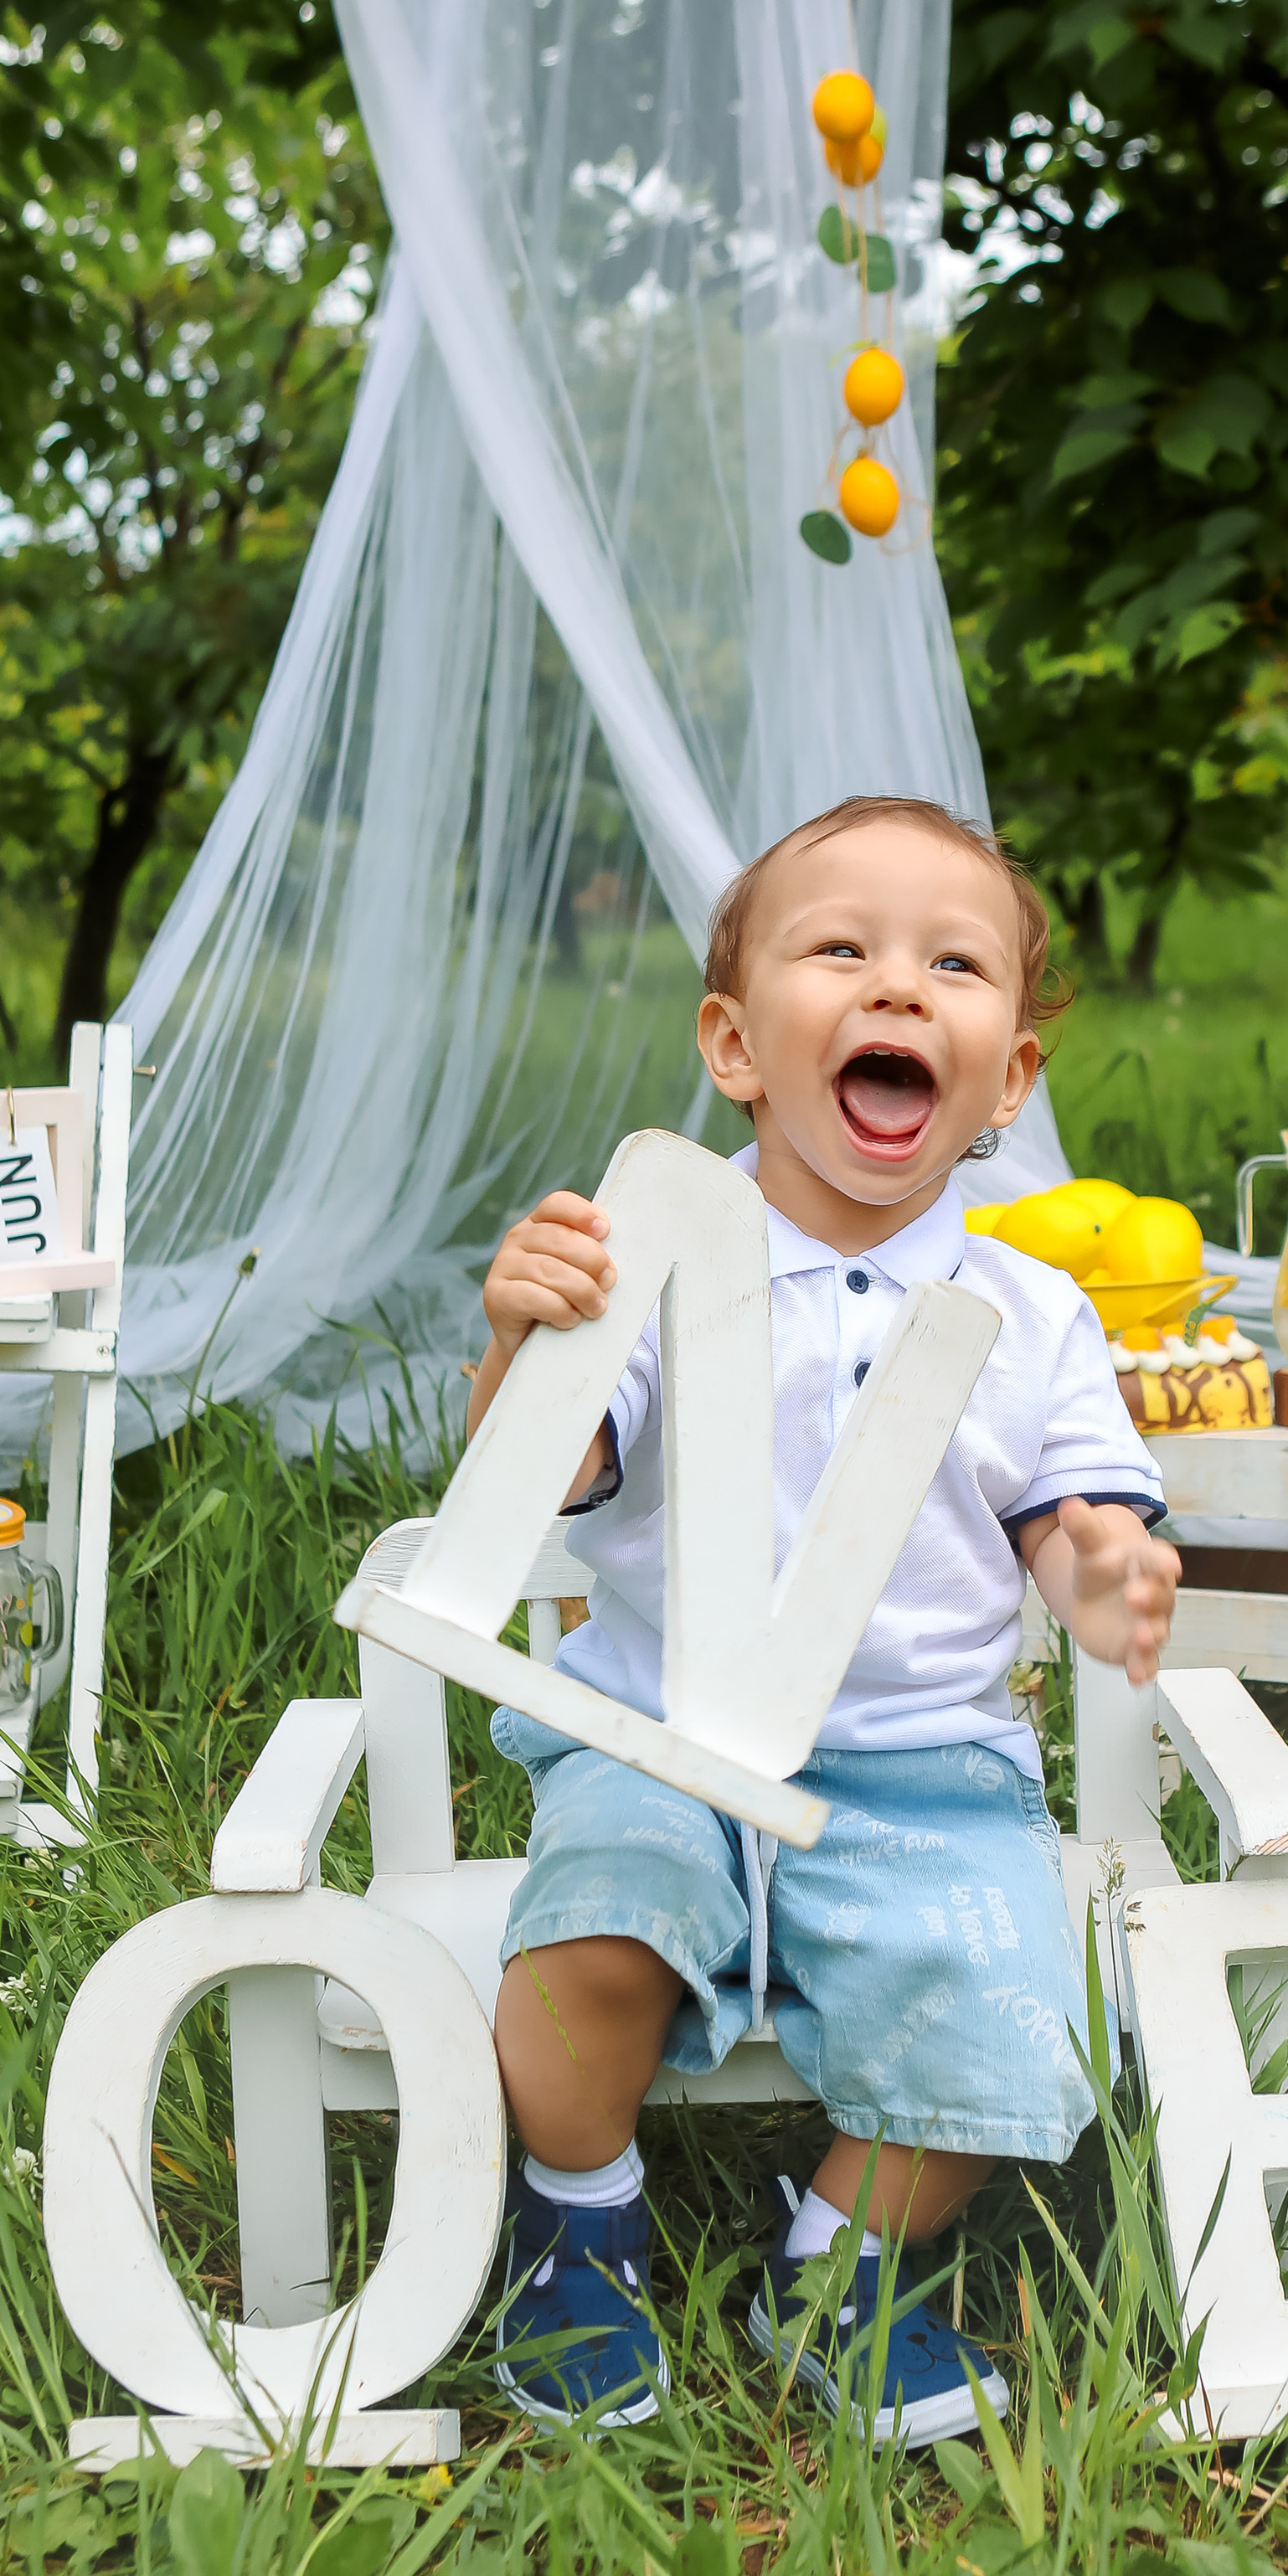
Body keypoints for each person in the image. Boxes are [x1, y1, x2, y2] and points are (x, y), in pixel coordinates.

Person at [468, 796, 1179, 2443]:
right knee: (591, 1926)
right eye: (838, 951)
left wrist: (1105, 1576)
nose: (897, 989)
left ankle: (843, 2268)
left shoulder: (1031, 1316)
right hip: (655, 1729)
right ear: (732, 1043)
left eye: (951, 964)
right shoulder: (648, 1260)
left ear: (1002, 1085)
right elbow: (549, 1471)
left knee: (1002, 1988)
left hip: (918, 1763)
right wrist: (525, 1340)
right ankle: (573, 2216)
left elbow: (1067, 1525)